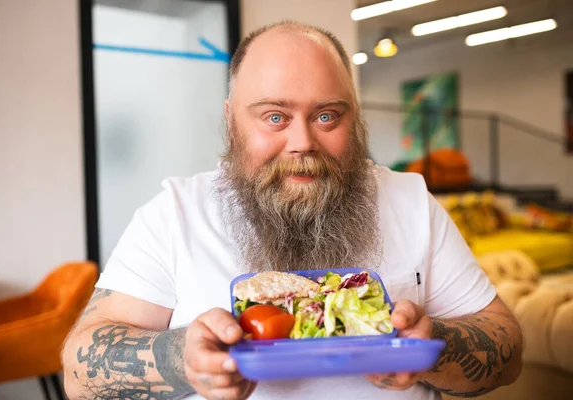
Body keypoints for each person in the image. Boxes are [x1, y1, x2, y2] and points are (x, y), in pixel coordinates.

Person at [62, 21, 522, 400]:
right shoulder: (174, 214)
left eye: (326, 116)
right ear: (230, 119)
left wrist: (434, 350)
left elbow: (508, 350)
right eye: (275, 117)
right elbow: (79, 375)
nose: (302, 142)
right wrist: (183, 359)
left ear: (354, 119)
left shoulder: (410, 200)